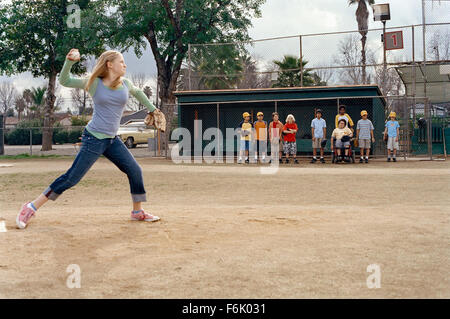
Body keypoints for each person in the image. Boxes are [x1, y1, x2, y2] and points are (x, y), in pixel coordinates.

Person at [16, 48, 163, 229]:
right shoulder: (95, 83)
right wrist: (69, 62)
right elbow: (65, 80)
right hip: (93, 138)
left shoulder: (125, 83)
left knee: (135, 170)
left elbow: (139, 92)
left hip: (112, 139)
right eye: (121, 61)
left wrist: (152, 109)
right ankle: (30, 207)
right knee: (71, 178)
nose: (125, 64)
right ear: (109, 64)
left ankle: (137, 211)